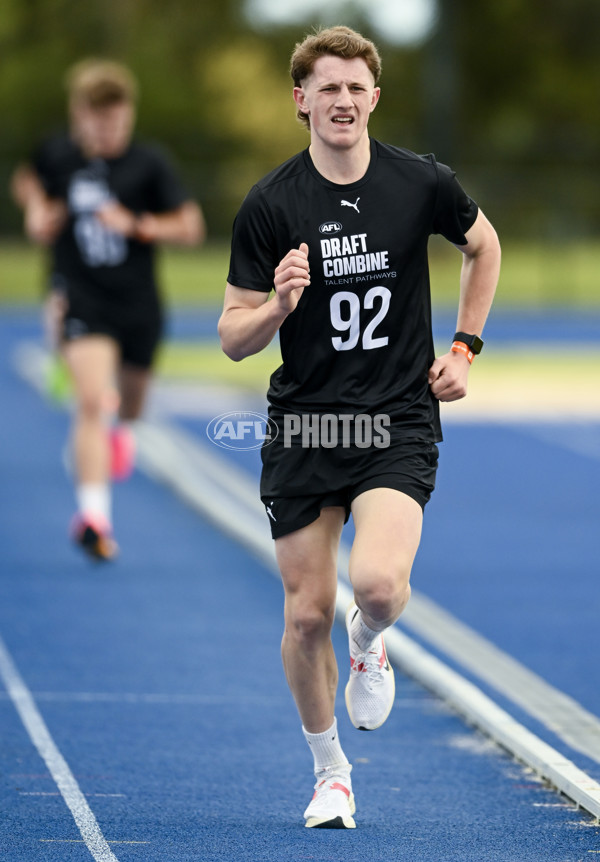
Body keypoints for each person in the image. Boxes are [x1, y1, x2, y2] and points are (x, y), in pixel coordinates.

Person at [218, 25, 500, 829]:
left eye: (355, 87)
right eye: (326, 88)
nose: (342, 101)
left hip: (397, 417)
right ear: (300, 100)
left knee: (375, 586)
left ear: (374, 97)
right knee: (304, 614)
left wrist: (465, 347)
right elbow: (232, 336)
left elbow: (484, 248)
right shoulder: (272, 204)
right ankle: (331, 772)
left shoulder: (421, 181)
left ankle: (370, 637)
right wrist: (276, 304)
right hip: (306, 425)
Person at [11, 58, 205, 561]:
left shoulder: (148, 163)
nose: (109, 133)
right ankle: (94, 518)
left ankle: (118, 435)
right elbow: (28, 179)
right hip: (82, 297)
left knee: (131, 407)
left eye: (118, 123)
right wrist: (37, 210)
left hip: (138, 304)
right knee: (93, 400)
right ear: (80, 115)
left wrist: (138, 225)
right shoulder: (59, 155)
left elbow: (190, 226)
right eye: (99, 123)